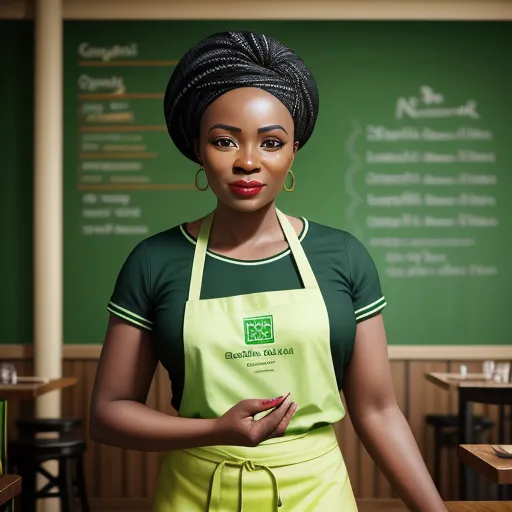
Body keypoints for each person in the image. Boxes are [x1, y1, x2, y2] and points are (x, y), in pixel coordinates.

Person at [90, 31, 447, 511]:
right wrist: (217, 429)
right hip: (196, 494)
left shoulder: (342, 256)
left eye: (271, 142)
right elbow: (108, 415)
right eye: (224, 141)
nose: (248, 162)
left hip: (318, 495)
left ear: (293, 152)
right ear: (198, 149)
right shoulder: (154, 260)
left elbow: (378, 410)